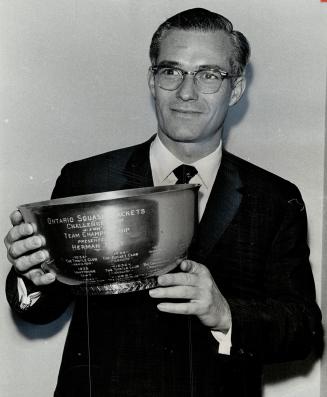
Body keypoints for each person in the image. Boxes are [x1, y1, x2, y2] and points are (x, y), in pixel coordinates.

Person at [4, 8, 322, 397]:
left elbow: (303, 330)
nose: (186, 92)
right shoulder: (86, 179)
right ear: (152, 81)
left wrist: (224, 313)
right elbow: (39, 310)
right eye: (171, 71)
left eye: (208, 75)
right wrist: (32, 276)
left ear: (235, 89)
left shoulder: (275, 199)